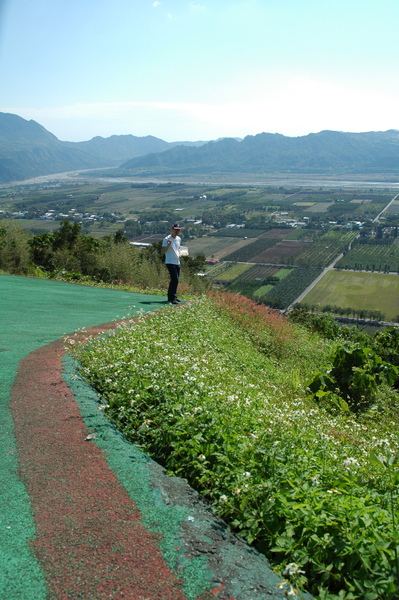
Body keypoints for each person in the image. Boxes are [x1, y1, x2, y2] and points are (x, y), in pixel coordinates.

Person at [161, 223, 183, 304]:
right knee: (174, 279)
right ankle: (171, 297)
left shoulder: (179, 239)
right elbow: (162, 251)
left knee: (176, 280)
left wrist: (182, 253)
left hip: (177, 262)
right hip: (170, 262)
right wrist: (168, 245)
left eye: (178, 230)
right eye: (176, 229)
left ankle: (173, 296)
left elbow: (178, 248)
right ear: (172, 229)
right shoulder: (166, 239)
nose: (177, 231)